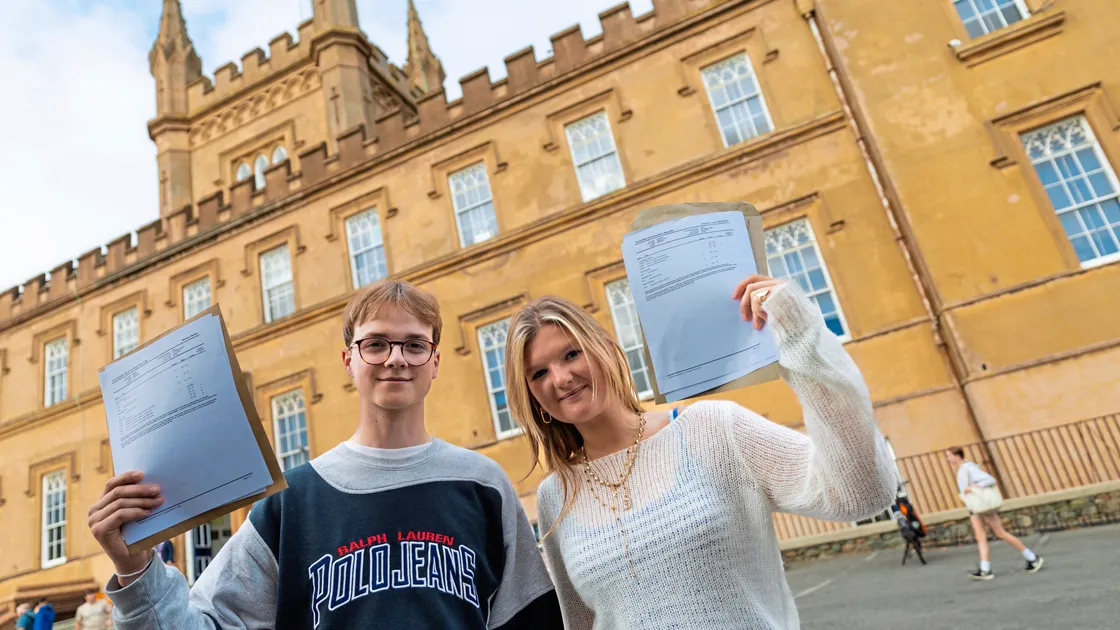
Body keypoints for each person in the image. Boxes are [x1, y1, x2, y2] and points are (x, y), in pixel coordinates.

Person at [88, 280, 562, 629]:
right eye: (375, 343)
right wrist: (136, 568)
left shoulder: (483, 484)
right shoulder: (290, 502)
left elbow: (530, 621)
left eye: (415, 345)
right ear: (348, 361)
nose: (396, 357)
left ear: (434, 361)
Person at [507, 274, 897, 629]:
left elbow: (860, 494)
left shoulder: (712, 429)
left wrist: (798, 335)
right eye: (539, 373)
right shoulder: (556, 495)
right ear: (534, 399)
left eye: (571, 354)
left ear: (607, 350)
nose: (560, 378)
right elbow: (581, 623)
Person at [945, 447, 1043, 580]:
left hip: (982, 505)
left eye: (949, 456)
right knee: (981, 536)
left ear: (957, 456)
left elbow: (990, 480)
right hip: (975, 507)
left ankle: (1032, 557)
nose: (948, 459)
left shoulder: (969, 467)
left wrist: (974, 487)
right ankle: (986, 569)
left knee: (1000, 533)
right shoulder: (963, 468)